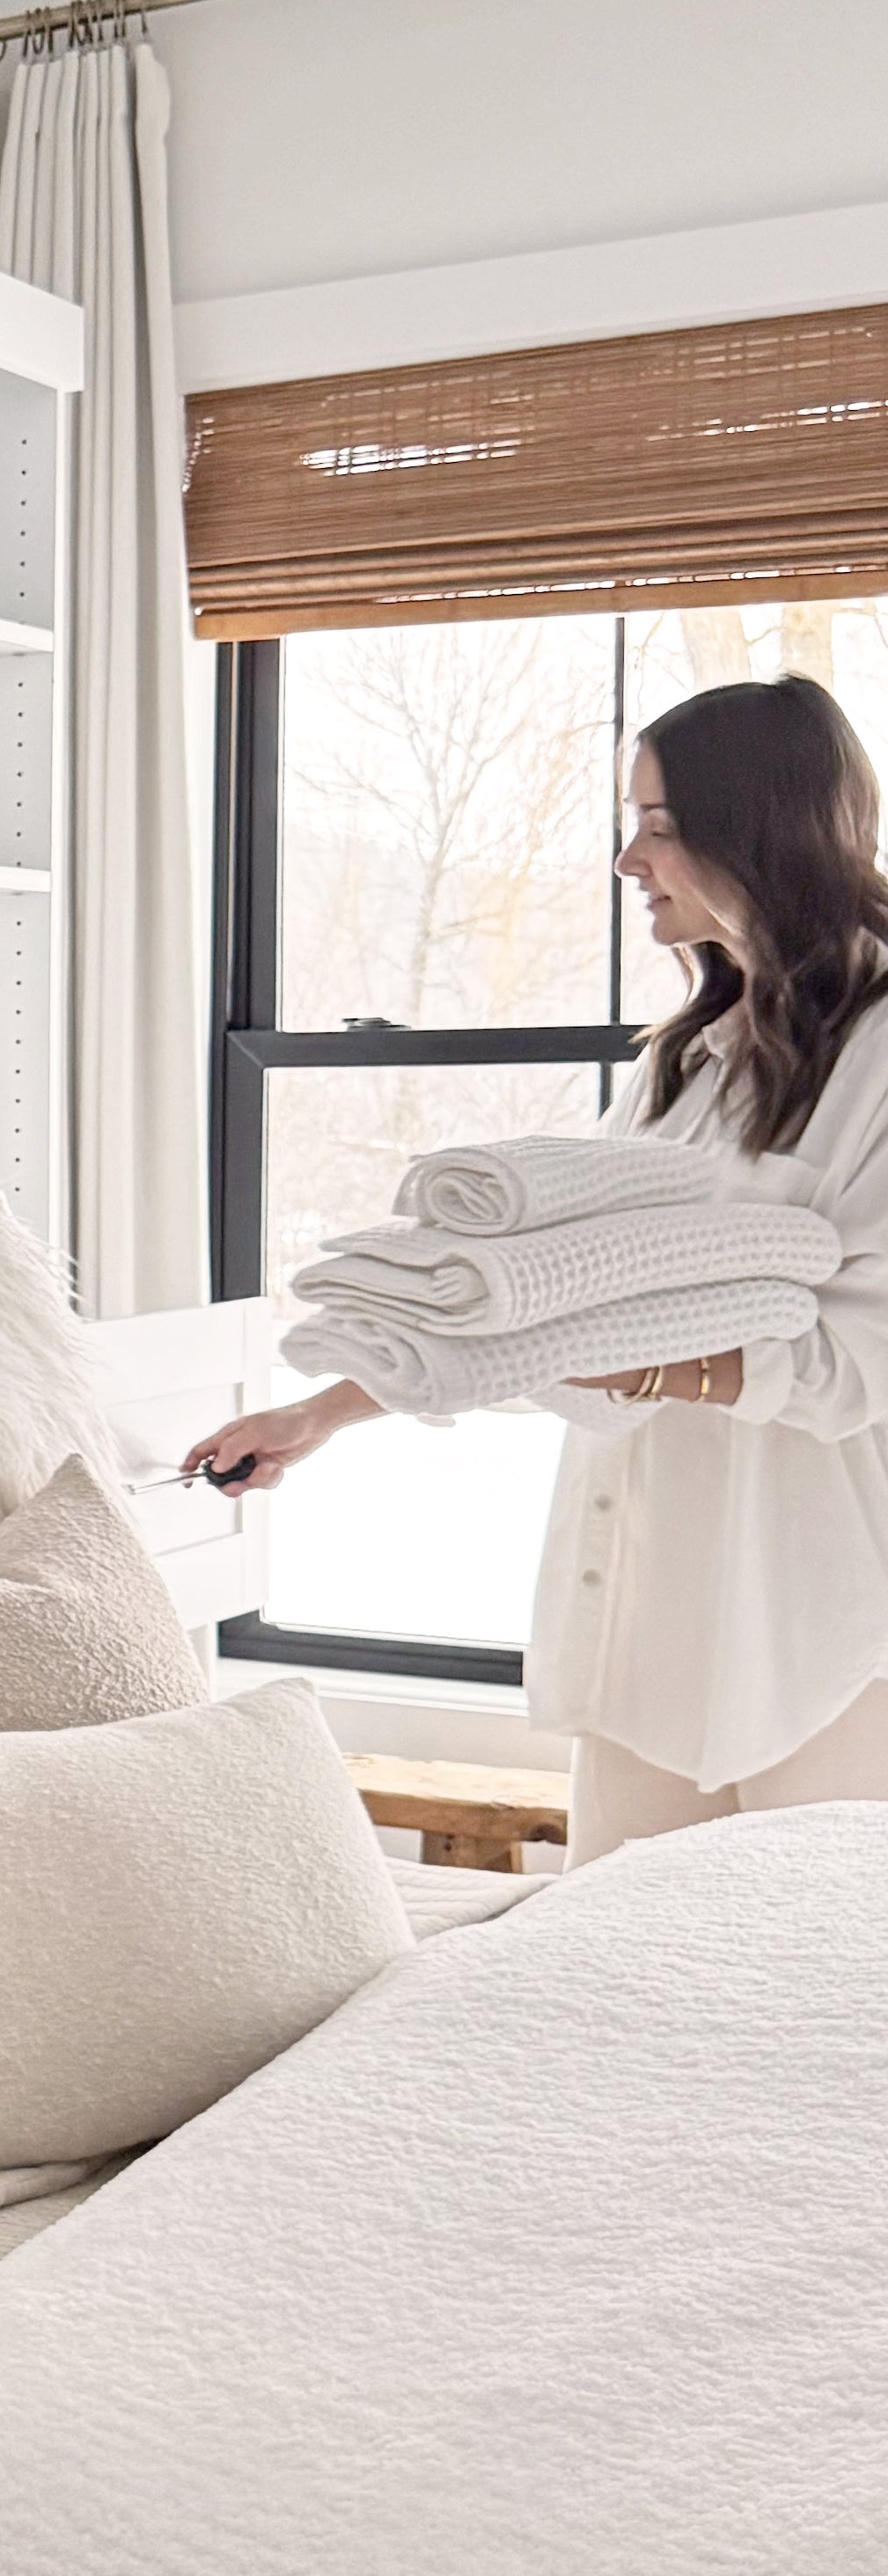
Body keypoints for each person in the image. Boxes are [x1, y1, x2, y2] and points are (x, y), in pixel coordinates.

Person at [180, 671, 888, 1862]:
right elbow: (555, 1295)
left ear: (760, 827)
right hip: (650, 1621)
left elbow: (859, 1356)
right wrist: (325, 1411)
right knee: (612, 1985)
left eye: (657, 827)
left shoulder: (876, 1050)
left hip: (816, 1637)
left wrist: (651, 1357)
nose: (626, 861)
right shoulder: (685, 1063)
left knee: (814, 2002)